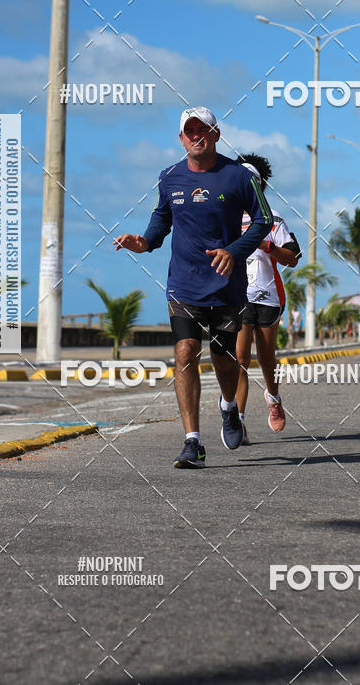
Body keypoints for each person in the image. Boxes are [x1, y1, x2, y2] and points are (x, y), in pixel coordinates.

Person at [114, 107, 273, 469]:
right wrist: (143, 241)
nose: (195, 136)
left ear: (216, 134)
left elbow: (262, 220)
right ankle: (193, 442)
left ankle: (229, 407)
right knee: (185, 352)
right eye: (189, 131)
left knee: (223, 358)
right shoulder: (169, 177)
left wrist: (233, 253)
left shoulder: (238, 176)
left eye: (203, 130)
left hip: (227, 285)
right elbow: (162, 218)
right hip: (183, 283)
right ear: (180, 138)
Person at [234, 154, 300, 444]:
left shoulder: (274, 218)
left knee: (266, 358)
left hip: (269, 295)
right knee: (239, 359)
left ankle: (273, 397)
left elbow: (292, 258)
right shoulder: (227, 217)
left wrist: (266, 244)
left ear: (259, 185)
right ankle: (238, 421)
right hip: (237, 296)